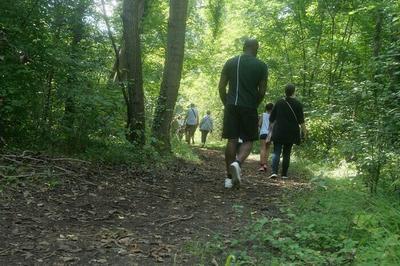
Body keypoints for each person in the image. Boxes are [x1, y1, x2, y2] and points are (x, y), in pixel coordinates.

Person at [218, 38, 268, 188]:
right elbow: (262, 90)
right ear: (256, 48)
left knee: (232, 140)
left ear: (243, 47)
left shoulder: (231, 62)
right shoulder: (261, 66)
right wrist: (255, 104)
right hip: (249, 106)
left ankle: (228, 178)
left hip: (232, 104)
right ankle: (237, 163)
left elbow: (221, 86)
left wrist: (226, 102)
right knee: (248, 140)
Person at [269, 84, 306, 179]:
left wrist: (270, 130)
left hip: (279, 131)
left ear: (285, 91)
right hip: (291, 132)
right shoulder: (298, 104)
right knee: (287, 153)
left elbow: (271, 118)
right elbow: (301, 121)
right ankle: (284, 174)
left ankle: (274, 172)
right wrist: (304, 132)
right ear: (294, 91)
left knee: (276, 151)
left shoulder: (279, 102)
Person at [258, 103, 274, 172]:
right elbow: (273, 126)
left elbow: (259, 124)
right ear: (272, 109)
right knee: (267, 149)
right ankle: (265, 164)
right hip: (270, 134)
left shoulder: (263, 115)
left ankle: (262, 165)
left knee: (262, 148)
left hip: (263, 133)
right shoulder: (273, 116)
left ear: (266, 108)